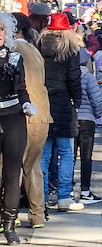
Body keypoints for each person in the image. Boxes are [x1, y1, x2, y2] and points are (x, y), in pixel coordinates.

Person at [38, 13, 83, 213]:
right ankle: (64, 197)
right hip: (64, 104)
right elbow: (74, 79)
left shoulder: (38, 47)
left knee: (43, 155)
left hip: (42, 104)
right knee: (66, 152)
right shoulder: (71, 50)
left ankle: (42, 197)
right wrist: (77, 100)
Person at [0, 14, 36, 244]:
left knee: (13, 173)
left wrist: (26, 103)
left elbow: (21, 88)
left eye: (1, 29)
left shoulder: (15, 57)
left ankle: (9, 226)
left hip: (13, 117)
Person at [13, 13, 50, 229]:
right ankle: (37, 215)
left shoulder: (13, 50)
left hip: (22, 113)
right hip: (42, 113)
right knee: (33, 167)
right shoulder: (33, 49)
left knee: (9, 167)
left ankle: (9, 214)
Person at [75, 47, 102, 205]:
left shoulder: (68, 75)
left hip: (71, 119)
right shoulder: (88, 77)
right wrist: (96, 115)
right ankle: (85, 191)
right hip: (87, 120)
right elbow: (97, 101)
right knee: (86, 157)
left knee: (69, 157)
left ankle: (67, 190)